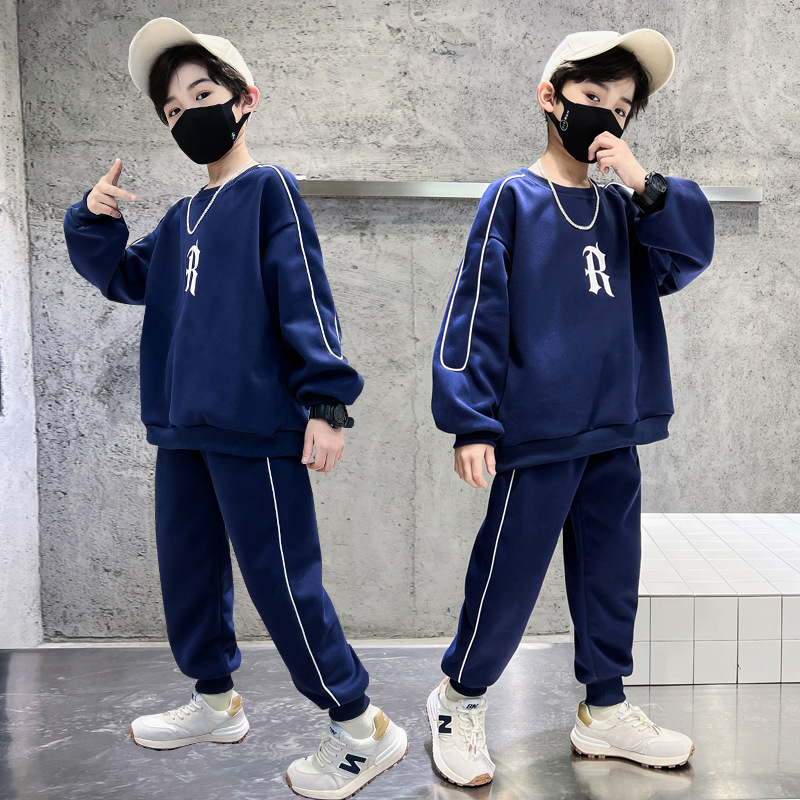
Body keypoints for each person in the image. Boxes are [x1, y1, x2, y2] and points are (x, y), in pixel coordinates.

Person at [61, 17, 407, 800]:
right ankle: (215, 703)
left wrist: (326, 401)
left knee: (283, 582)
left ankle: (362, 727)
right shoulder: (182, 216)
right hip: (183, 427)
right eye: (172, 110)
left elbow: (305, 293)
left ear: (245, 99)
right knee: (190, 573)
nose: (186, 115)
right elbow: (123, 278)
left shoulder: (267, 189)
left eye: (201, 95)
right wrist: (93, 216)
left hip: (256, 427)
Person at [427, 28, 715, 786]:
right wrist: (471, 421)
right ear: (550, 98)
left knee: (610, 575)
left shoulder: (627, 210)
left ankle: (604, 709)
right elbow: (474, 313)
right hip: (537, 431)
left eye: (621, 108)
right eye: (592, 97)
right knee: (508, 574)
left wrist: (643, 183)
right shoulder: (512, 199)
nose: (607, 117)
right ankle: (459, 699)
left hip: (614, 424)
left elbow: (689, 255)